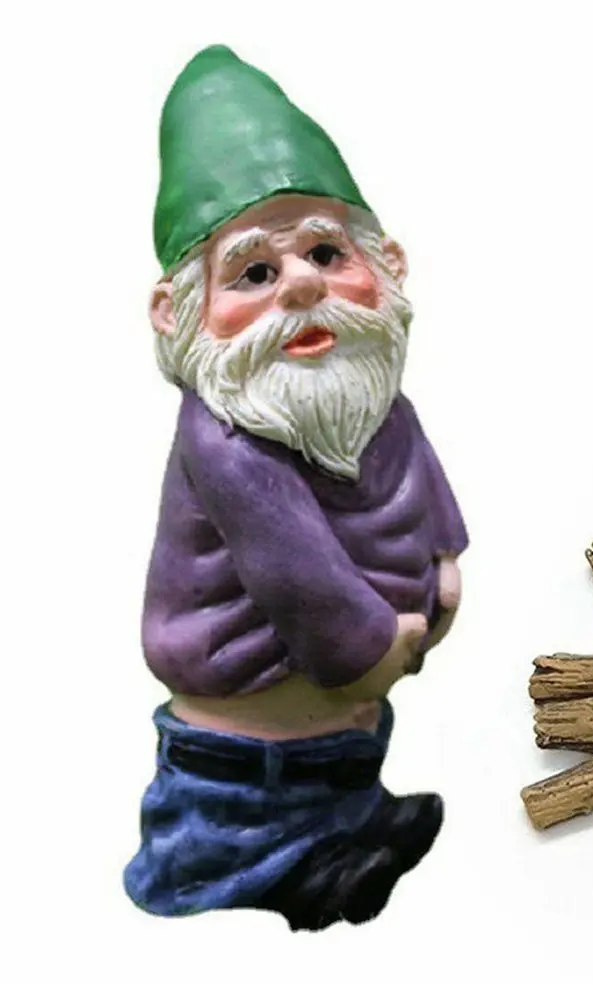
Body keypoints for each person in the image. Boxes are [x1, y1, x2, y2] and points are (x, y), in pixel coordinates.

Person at [123, 45, 468, 931]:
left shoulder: (369, 396)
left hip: (345, 715)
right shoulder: (229, 442)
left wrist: (443, 558)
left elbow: (422, 478)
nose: (305, 284)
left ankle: (350, 830)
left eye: (323, 250)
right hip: (247, 727)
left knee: (338, 775)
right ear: (176, 312)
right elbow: (300, 581)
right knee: (243, 818)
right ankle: (282, 867)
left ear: (386, 264)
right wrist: (378, 648)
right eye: (255, 272)